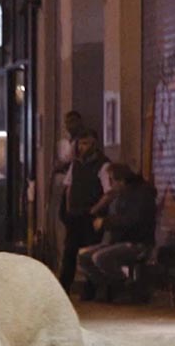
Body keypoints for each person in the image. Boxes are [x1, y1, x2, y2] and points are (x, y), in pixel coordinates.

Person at [76, 163, 157, 301]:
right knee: (84, 256)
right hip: (118, 241)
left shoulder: (141, 194)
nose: (110, 184)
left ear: (121, 180)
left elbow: (132, 220)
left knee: (100, 258)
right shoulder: (121, 195)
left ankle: (127, 285)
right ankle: (107, 288)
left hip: (137, 243)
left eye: (112, 180)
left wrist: (106, 223)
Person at [58, 128, 111, 294]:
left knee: (89, 251)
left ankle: (91, 288)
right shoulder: (76, 164)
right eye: (81, 143)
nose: (83, 147)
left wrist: (94, 210)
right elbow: (68, 187)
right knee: (70, 252)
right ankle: (64, 286)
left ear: (94, 144)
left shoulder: (103, 165)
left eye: (87, 143)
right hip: (74, 215)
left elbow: (108, 192)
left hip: (91, 216)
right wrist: (68, 208)